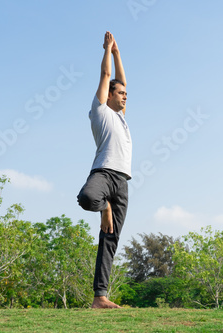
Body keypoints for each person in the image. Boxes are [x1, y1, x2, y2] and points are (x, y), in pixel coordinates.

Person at [77, 31, 131, 309]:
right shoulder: (100, 111)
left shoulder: (121, 118)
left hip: (122, 182)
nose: (125, 97)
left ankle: (100, 297)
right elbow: (105, 74)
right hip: (103, 173)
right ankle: (104, 207)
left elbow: (120, 79)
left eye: (126, 94)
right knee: (88, 198)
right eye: (120, 93)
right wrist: (109, 50)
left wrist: (120, 53)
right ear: (108, 96)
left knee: (110, 239)